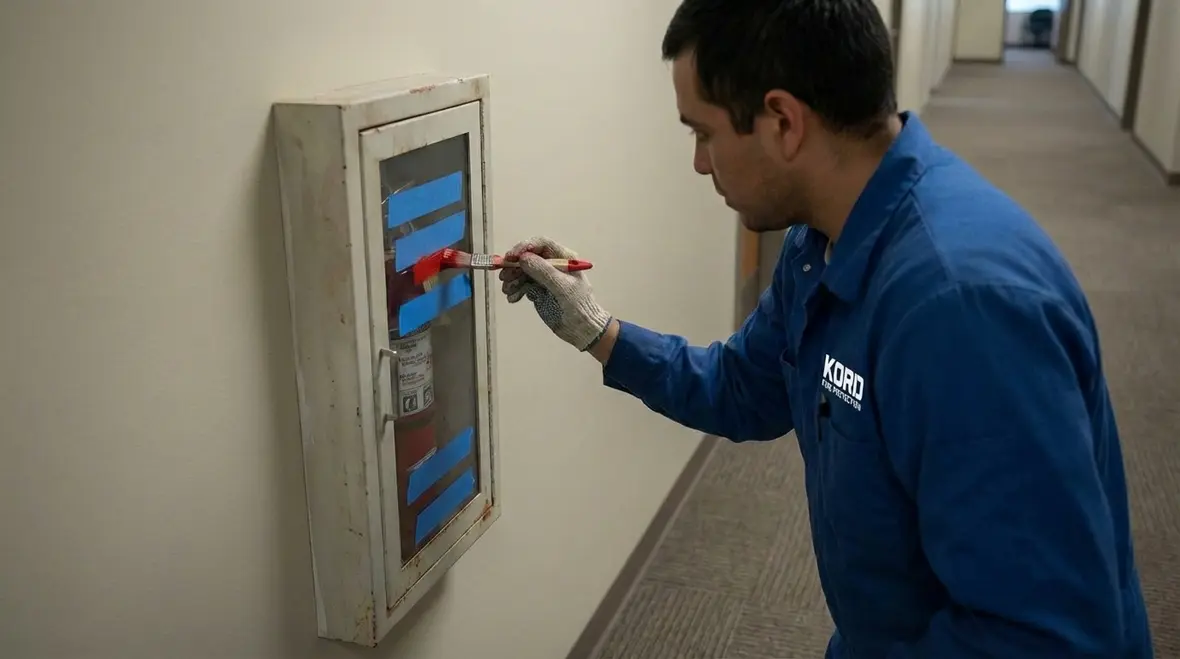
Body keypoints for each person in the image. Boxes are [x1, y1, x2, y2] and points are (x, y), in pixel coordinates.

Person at [499, 0, 1153, 656]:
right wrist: (594, 327)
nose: (700, 163)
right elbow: (743, 386)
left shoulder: (961, 311)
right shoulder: (824, 239)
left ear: (783, 121)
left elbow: (1041, 637)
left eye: (703, 133)